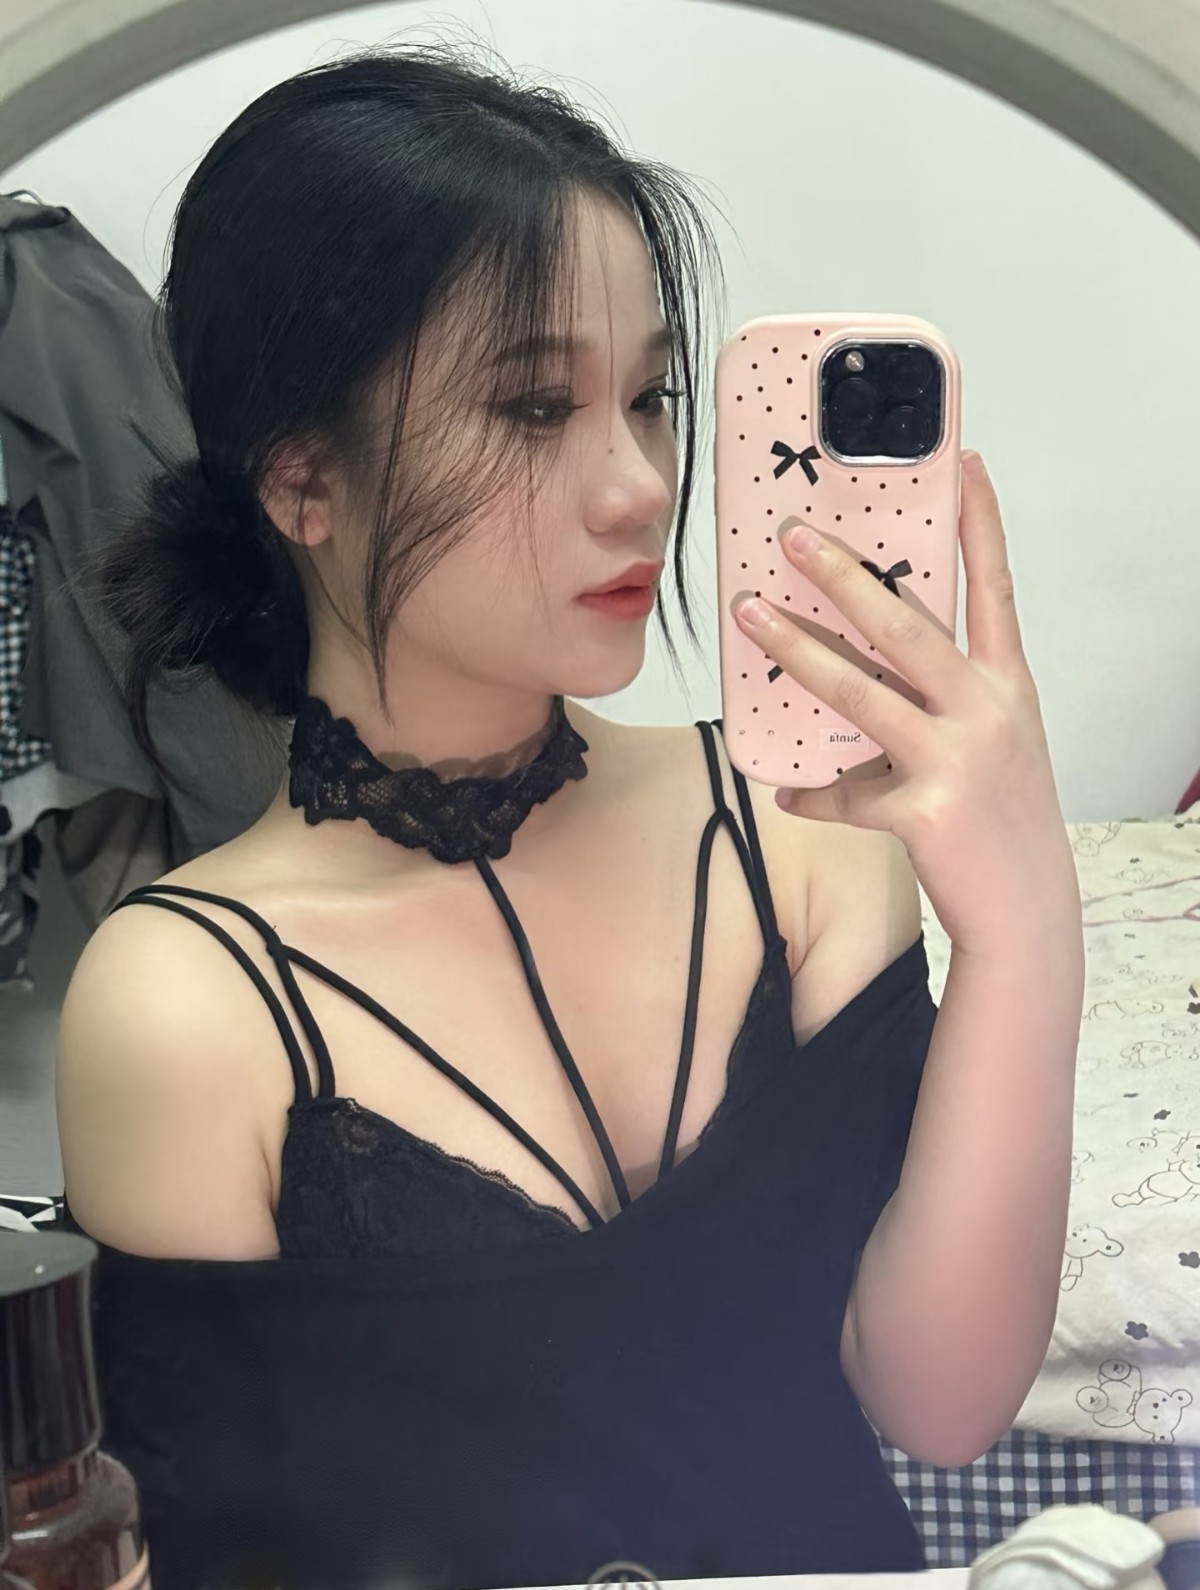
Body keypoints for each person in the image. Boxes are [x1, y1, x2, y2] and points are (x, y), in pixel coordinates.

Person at [54, 41, 1083, 1590]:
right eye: (536, 407)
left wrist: (1024, 929)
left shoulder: (797, 829)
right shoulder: (187, 1003)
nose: (639, 484)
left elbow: (939, 1403)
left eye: (650, 396)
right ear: (301, 478)